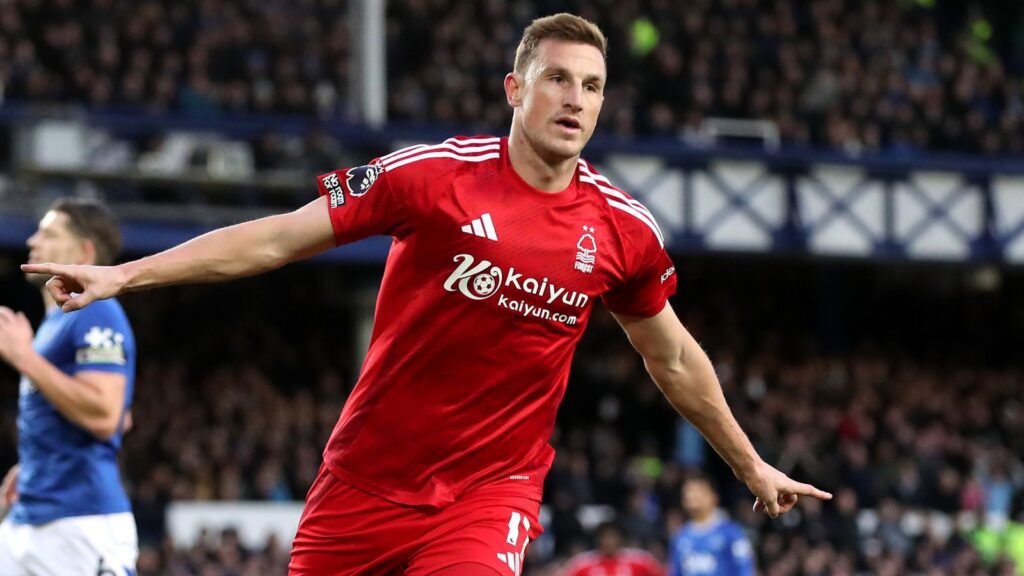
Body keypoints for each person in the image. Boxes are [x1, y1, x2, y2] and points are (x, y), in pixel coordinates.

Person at [24, 13, 832, 576]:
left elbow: (675, 358)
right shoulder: (431, 178)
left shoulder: (623, 231)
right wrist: (127, 274)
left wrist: (750, 462)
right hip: (364, 478)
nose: (576, 99)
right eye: (556, 79)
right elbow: (275, 238)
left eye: (591, 85)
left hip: (491, 489)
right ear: (515, 90)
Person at [0, 198, 138, 575]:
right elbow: (122, 416)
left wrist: (24, 358)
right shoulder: (54, 322)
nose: (32, 239)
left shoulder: (95, 310)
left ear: (84, 251)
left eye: (48, 233)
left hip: (80, 524)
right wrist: (35, 465)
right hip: (31, 517)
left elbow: (106, 416)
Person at [668, 474, 755, 576]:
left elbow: (744, 570)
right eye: (688, 492)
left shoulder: (731, 534)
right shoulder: (680, 537)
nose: (692, 496)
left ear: (714, 497)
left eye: (699, 491)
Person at [563, 521, 665, 576]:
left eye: (612, 536)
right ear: (598, 539)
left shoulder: (640, 561)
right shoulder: (581, 565)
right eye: (604, 537)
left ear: (620, 539)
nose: (609, 541)